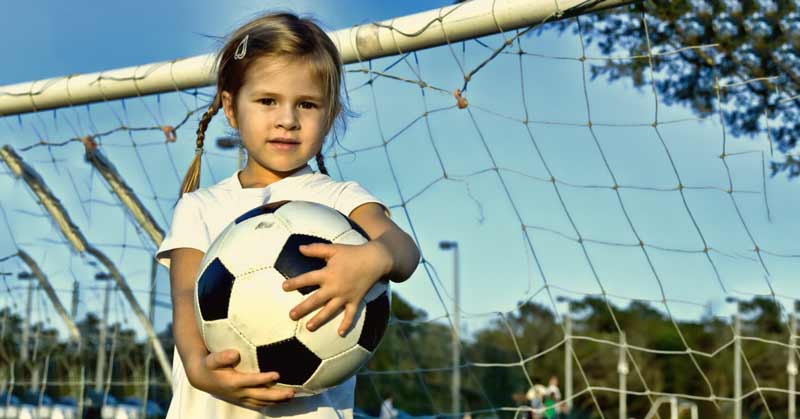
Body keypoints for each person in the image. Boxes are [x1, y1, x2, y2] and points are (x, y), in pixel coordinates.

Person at [155, 12, 420, 419]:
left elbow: (404, 250)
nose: (287, 120)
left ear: (329, 115)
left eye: (307, 104)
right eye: (267, 101)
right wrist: (197, 367)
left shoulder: (341, 202)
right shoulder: (200, 206)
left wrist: (376, 257)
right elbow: (183, 297)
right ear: (230, 106)